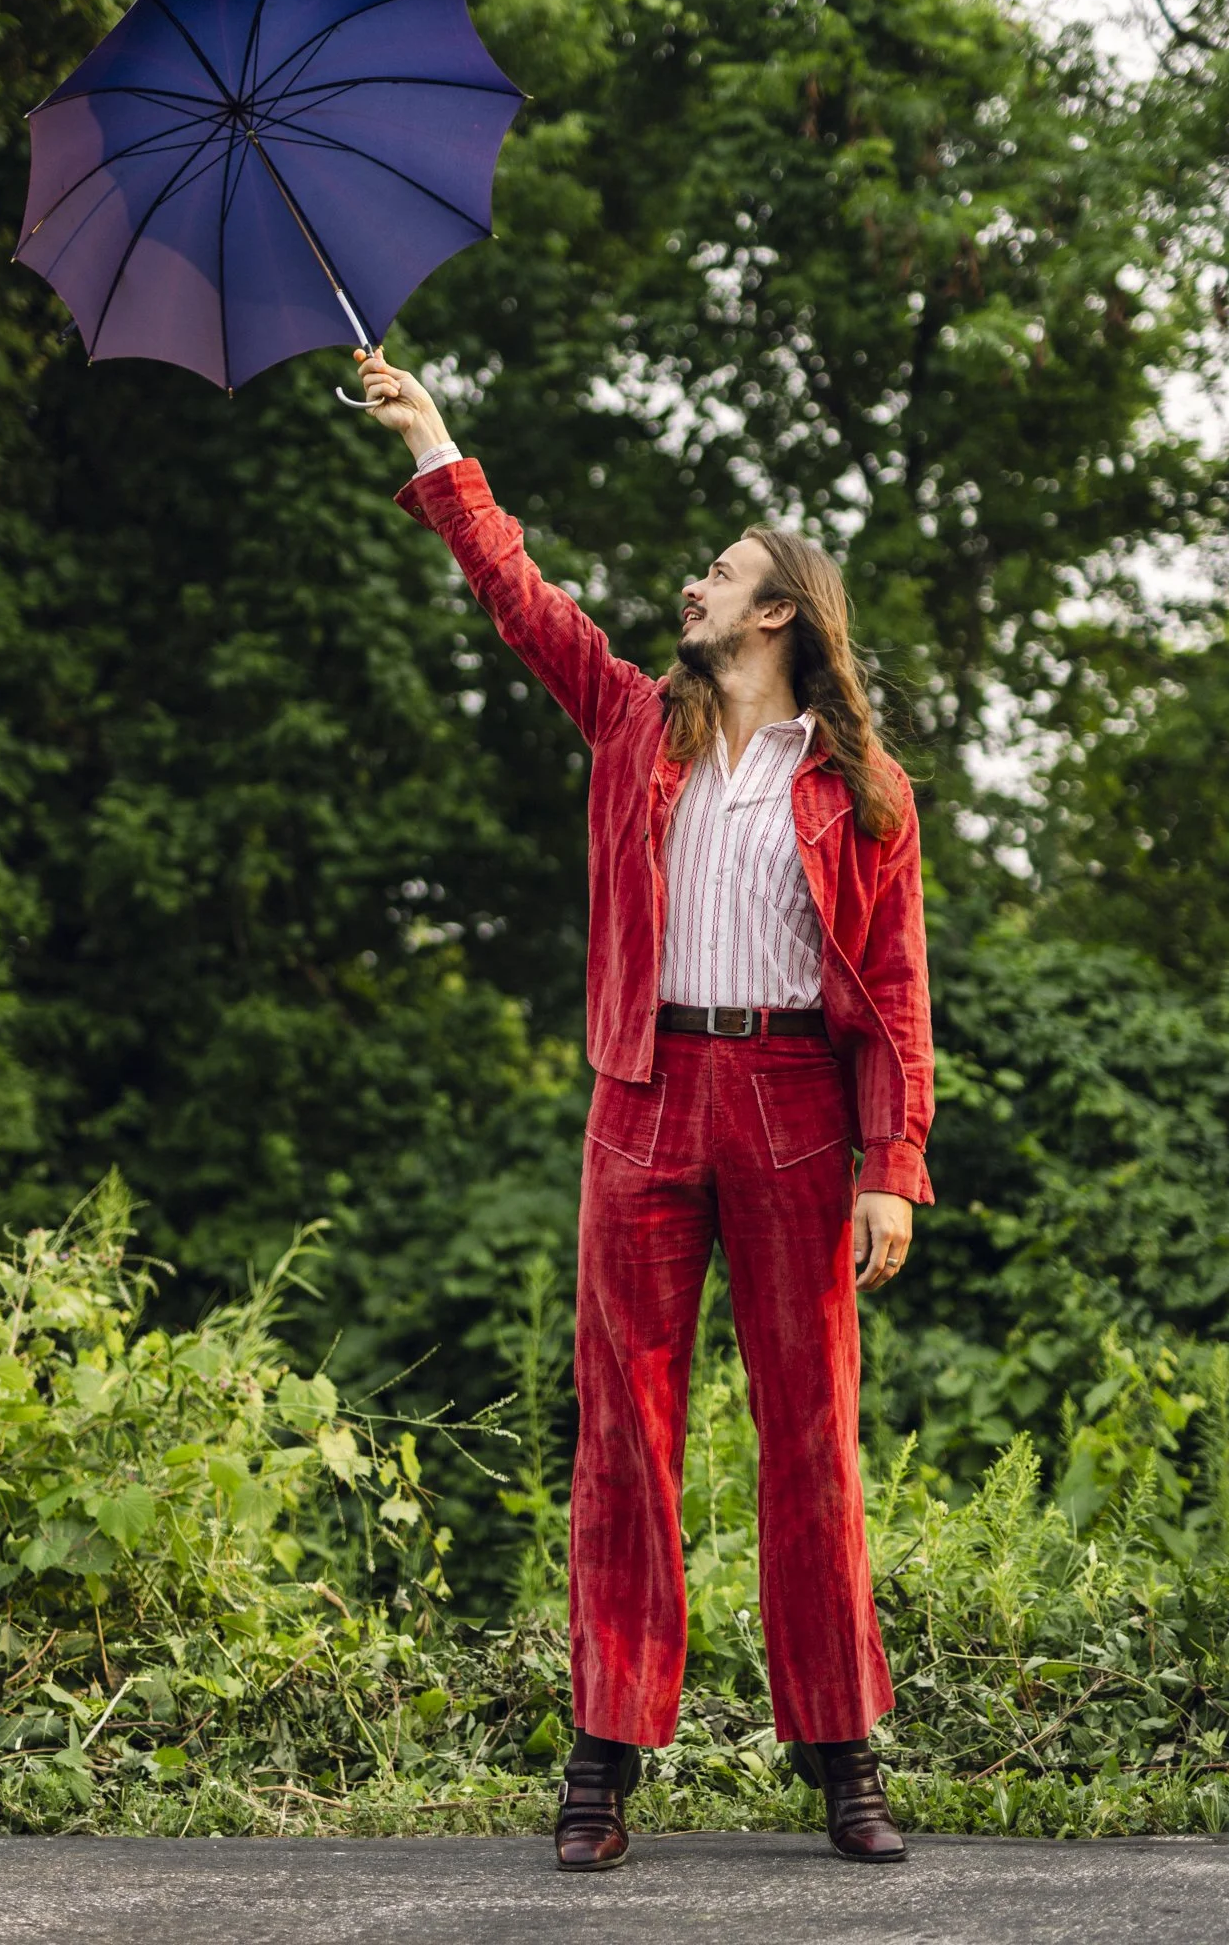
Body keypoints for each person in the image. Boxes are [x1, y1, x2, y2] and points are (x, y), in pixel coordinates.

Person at [356, 347, 933, 1871]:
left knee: (808, 1437)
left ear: (778, 616)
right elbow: (516, 591)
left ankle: (842, 1761)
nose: (690, 586)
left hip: (800, 1110)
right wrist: (434, 440)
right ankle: (603, 1761)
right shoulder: (631, 723)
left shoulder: (863, 790)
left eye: (718, 572)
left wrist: (894, 1164)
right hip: (645, 1096)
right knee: (625, 1433)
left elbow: (890, 991)